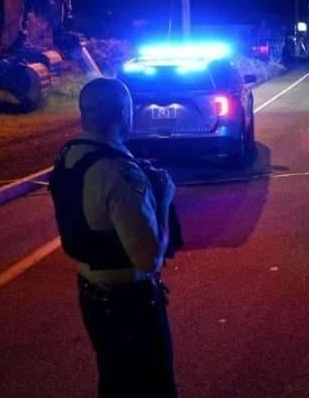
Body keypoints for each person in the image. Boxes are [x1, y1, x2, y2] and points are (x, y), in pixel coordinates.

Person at [49, 77, 177, 398]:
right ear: (124, 113)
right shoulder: (119, 173)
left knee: (114, 382)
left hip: (92, 295)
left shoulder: (69, 157)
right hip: (129, 305)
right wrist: (163, 201)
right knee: (154, 388)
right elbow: (148, 259)